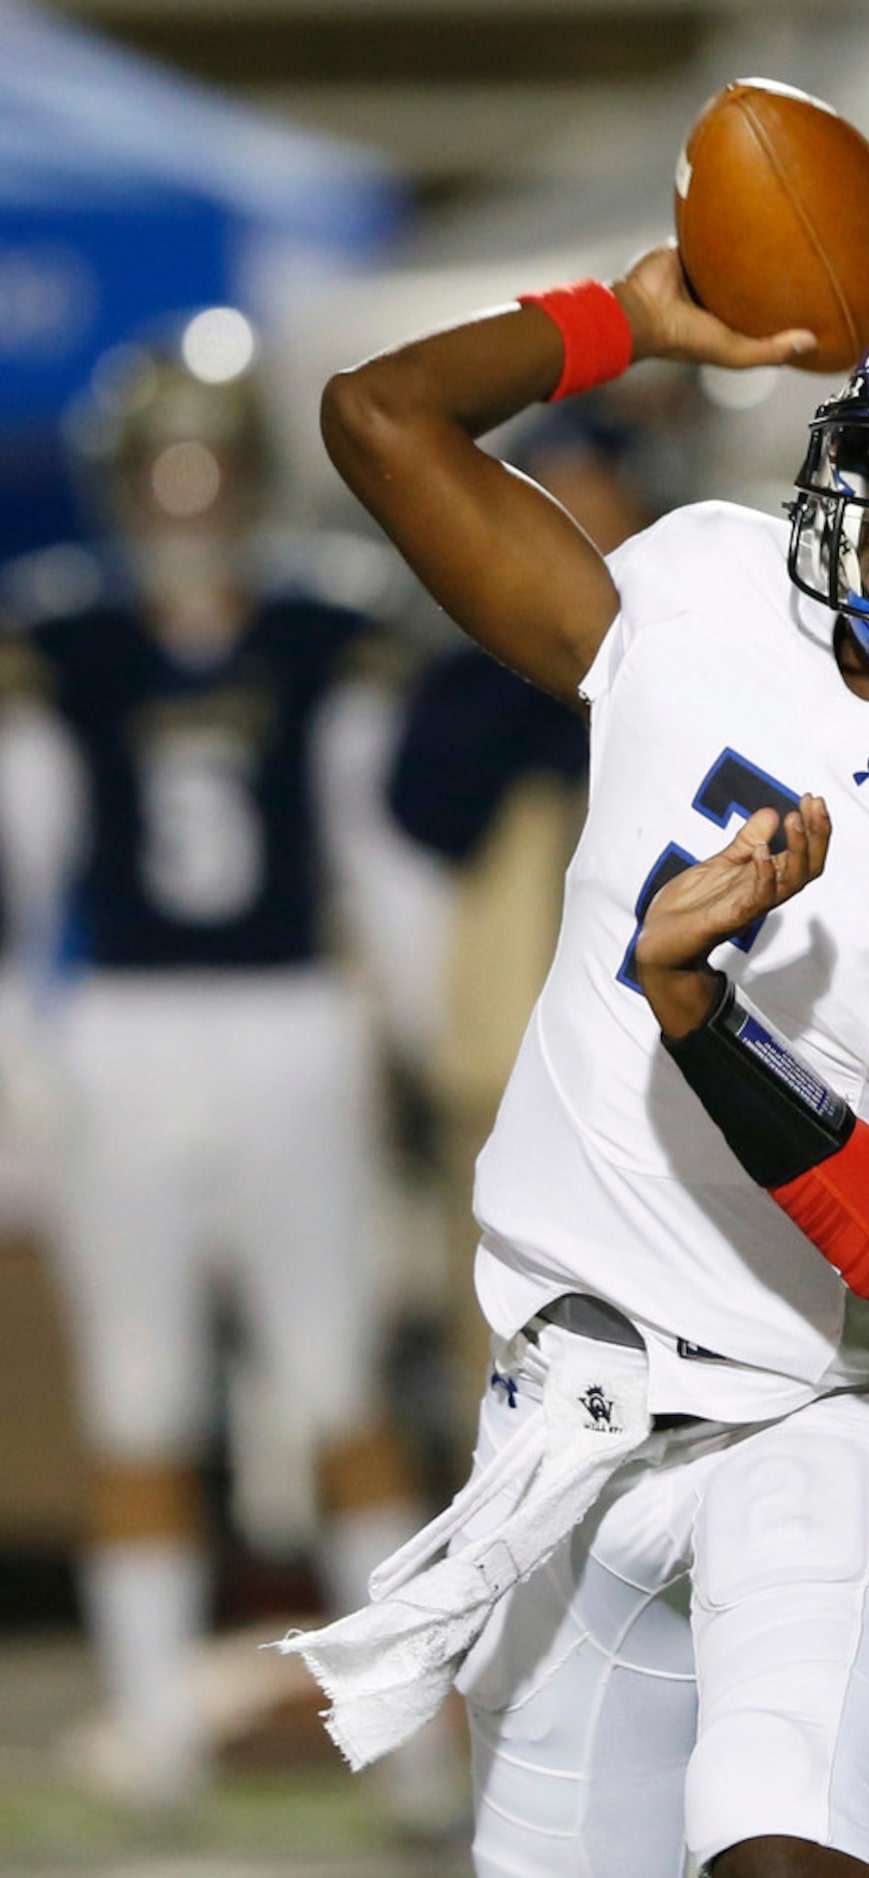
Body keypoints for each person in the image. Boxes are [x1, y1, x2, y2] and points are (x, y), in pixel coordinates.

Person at [283, 248, 869, 1876]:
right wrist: (620, 325)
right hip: (561, 1400)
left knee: (782, 1853)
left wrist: (697, 1010)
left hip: (811, 1414)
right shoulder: (702, 589)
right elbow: (379, 417)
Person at [0, 310, 459, 1818]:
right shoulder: (59, 648)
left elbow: (380, 863)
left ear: (251, 481)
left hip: (285, 1029)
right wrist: (23, 1067)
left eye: (208, 474)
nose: (184, 506)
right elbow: (23, 878)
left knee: (338, 1385)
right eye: (161, 476)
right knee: (138, 1399)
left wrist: (408, 1033)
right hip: (125, 1035)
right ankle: (159, 1733)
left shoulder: (327, 632)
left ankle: (404, 1751)